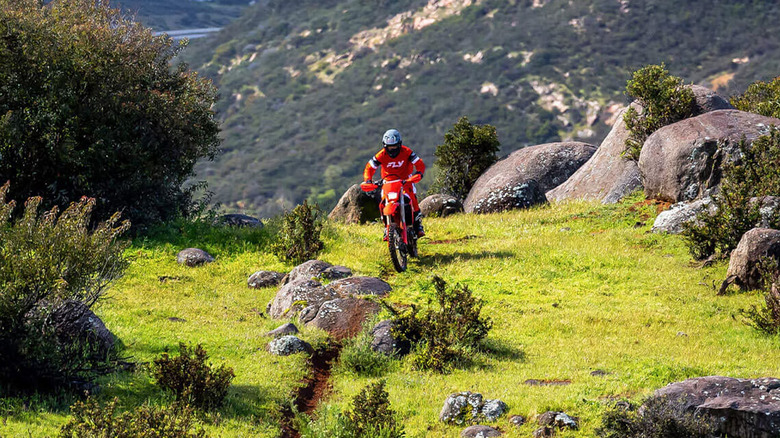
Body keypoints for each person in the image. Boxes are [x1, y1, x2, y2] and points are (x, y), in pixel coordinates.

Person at [363, 128, 426, 237]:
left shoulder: (407, 152)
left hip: (405, 180)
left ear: (400, 144)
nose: (392, 150)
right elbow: (369, 167)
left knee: (412, 197)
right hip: (388, 182)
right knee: (383, 202)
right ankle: (386, 226)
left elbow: (419, 163)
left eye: (395, 147)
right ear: (384, 146)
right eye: (389, 147)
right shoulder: (381, 155)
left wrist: (419, 173)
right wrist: (368, 180)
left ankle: (417, 224)